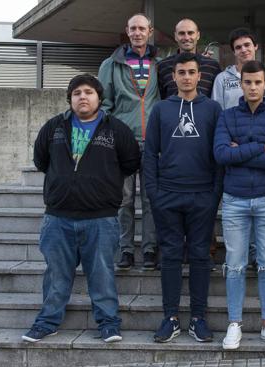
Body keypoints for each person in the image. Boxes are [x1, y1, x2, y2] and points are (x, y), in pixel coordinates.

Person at [23, 74, 140, 343]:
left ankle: (109, 324)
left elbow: (131, 162)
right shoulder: (54, 127)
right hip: (58, 218)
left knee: (102, 275)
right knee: (56, 276)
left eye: (88, 92)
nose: (83, 97)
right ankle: (47, 322)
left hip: (101, 218)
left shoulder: (116, 129)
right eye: (77, 93)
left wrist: (102, 184)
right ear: (70, 99)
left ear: (99, 98)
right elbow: (41, 160)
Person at [144, 53, 223, 343]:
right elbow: (150, 153)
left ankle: (198, 318)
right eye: (181, 72)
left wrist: (214, 195)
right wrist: (154, 193)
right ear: (174, 76)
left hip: (202, 195)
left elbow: (219, 155)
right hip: (168, 195)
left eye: (192, 72)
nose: (187, 77)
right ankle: (171, 317)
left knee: (201, 256)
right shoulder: (161, 110)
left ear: (199, 76)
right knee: (172, 256)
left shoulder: (213, 109)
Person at [214, 60, 265, 350]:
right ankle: (235, 324)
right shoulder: (227, 116)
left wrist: (242, 151)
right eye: (248, 82)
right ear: (241, 84)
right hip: (234, 200)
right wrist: (262, 147)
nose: (253, 87)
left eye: (258, 82)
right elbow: (221, 154)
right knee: (234, 264)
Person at [98, 13, 160, 271]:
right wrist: (113, 135)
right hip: (122, 143)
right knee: (123, 200)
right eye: (133, 28)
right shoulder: (110, 65)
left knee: (150, 199)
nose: (137, 33)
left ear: (150, 31)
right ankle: (125, 249)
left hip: (153, 142)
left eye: (142, 28)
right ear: (127, 31)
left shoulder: (160, 63)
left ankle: (149, 249)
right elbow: (103, 104)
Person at [212, 28, 265, 110]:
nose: (243, 50)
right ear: (234, 52)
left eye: (247, 45)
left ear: (255, 46)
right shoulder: (222, 79)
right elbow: (217, 112)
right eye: (238, 47)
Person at [156, 18, 222, 99]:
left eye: (190, 33)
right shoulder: (163, 66)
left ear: (198, 35)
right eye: (181, 33)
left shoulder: (212, 66)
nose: (186, 38)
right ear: (175, 36)